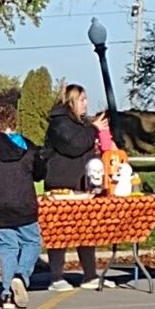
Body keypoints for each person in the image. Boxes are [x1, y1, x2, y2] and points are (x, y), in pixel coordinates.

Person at [42, 84, 116, 291]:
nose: (86, 103)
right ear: (71, 101)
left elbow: (87, 143)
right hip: (61, 186)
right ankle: (56, 277)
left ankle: (90, 274)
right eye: (82, 99)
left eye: (86, 99)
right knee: (60, 231)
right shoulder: (59, 123)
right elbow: (73, 145)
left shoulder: (82, 123)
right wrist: (93, 129)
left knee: (86, 230)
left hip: (83, 186)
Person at [0, 104, 45, 309]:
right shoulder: (28, 147)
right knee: (31, 242)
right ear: (15, 121)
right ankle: (21, 275)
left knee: (7, 248)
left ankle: (6, 295)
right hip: (24, 204)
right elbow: (39, 172)